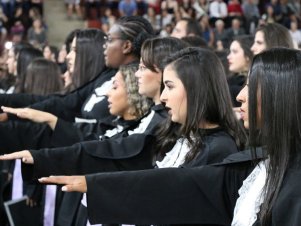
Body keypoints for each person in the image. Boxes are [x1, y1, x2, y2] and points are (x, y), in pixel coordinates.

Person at [31, 47, 301, 226]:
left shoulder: (224, 149)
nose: (240, 95)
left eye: (251, 86)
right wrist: (95, 183)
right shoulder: (259, 162)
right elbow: (172, 184)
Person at [227, 35, 254, 107]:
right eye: (230, 52)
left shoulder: (253, 85)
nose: (228, 56)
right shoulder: (229, 81)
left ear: (247, 56)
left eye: (235, 52)